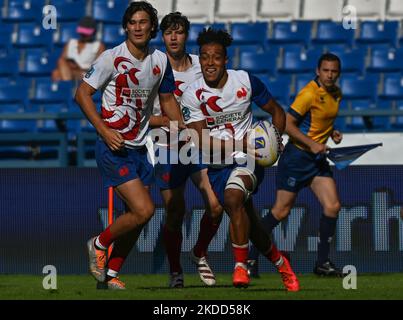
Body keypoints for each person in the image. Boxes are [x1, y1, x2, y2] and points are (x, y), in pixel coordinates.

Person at [75, 1, 185, 290]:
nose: (137, 27)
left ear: (152, 27)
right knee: (144, 210)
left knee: (136, 217)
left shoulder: (160, 61)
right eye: (132, 22)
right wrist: (104, 130)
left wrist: (184, 127)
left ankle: (110, 275)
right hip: (114, 148)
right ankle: (98, 243)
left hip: (139, 148)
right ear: (126, 26)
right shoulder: (111, 58)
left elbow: (169, 101)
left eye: (143, 22)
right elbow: (82, 95)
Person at [181, 28, 300, 291]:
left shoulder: (245, 81)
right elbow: (199, 140)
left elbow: (277, 111)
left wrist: (275, 142)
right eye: (205, 57)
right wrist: (240, 142)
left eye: (216, 57)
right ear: (200, 60)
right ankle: (282, 265)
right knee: (252, 226)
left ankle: (240, 268)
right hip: (217, 166)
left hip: (249, 160)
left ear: (226, 60)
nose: (210, 63)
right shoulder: (191, 94)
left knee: (233, 198)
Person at [247, 53, 344, 277]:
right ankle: (250, 258)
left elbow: (321, 120)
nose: (330, 75)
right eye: (326, 70)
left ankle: (322, 263)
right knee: (280, 211)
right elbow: (288, 124)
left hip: (316, 161)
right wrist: (312, 144)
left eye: (334, 71)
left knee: (333, 206)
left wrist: (333, 133)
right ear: (318, 71)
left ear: (338, 73)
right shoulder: (309, 93)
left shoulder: (336, 94)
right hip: (297, 158)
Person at [149, 12, 223, 288]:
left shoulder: (198, 67)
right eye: (168, 32)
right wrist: (170, 122)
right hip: (167, 146)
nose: (174, 37)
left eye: (178, 32)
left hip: (196, 144)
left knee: (216, 206)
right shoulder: (153, 66)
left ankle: (199, 252)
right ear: (162, 36)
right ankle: (175, 271)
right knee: (175, 210)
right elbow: (144, 114)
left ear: (185, 35)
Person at [52, 16, 105, 81]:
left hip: (86, 74)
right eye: (83, 33)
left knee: (57, 73)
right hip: (69, 71)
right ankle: (69, 87)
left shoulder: (98, 46)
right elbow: (62, 63)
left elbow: (98, 68)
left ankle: (68, 87)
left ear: (94, 32)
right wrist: (71, 65)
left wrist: (79, 68)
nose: (84, 35)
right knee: (58, 69)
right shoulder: (70, 43)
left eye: (86, 33)